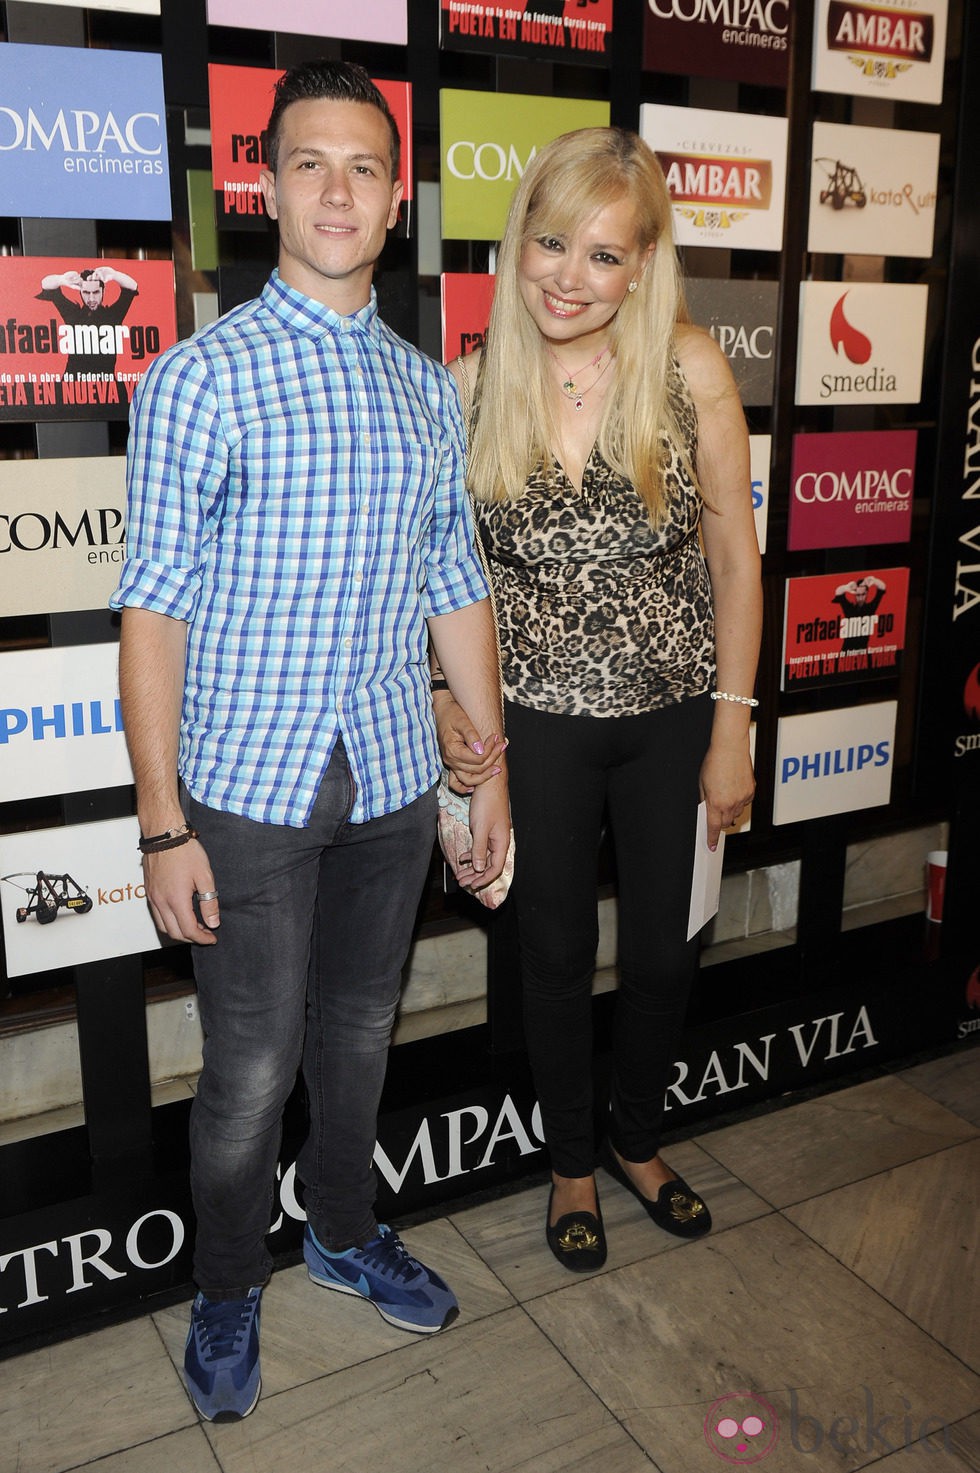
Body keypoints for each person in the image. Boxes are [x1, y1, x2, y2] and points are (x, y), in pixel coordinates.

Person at [111, 60, 509, 1422]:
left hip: (397, 777)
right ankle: (229, 1285)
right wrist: (162, 819)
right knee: (249, 1074)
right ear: (265, 186)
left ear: (396, 203)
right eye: (310, 164)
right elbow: (152, 613)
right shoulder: (198, 379)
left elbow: (454, 575)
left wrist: (488, 765)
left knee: (356, 1039)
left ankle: (341, 1232)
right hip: (248, 792)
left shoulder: (420, 387)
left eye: (365, 169)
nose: (338, 189)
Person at [436, 127, 761, 1272]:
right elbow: (439, 576)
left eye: (605, 255)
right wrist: (444, 699)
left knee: (667, 958)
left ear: (643, 264)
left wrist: (733, 724)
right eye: (551, 242)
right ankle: (571, 1161)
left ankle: (638, 1135)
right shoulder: (468, 388)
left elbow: (734, 560)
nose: (570, 277)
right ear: (518, 241)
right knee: (554, 956)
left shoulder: (688, 370)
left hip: (675, 717)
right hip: (536, 727)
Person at [37, 265, 139, 388]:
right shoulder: (73, 314)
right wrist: (62, 280)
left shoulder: (113, 315)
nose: (91, 298)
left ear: (103, 291)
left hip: (106, 390)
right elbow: (46, 284)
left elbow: (132, 287)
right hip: (71, 387)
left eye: (96, 292)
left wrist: (113, 275)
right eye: (86, 292)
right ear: (80, 292)